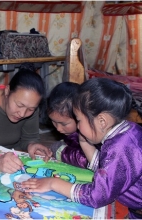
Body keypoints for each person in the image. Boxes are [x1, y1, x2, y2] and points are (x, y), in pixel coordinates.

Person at [22, 77, 142, 219]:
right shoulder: (128, 131)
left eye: (78, 120)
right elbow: (108, 170)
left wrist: (53, 183)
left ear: (102, 121)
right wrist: (85, 143)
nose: (78, 127)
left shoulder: (121, 147)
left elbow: (97, 196)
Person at [47, 82, 88, 168]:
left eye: (64, 124)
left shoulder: (90, 134)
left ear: (78, 117)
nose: (58, 129)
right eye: (54, 122)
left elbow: (87, 160)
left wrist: (60, 152)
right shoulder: (73, 132)